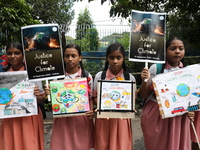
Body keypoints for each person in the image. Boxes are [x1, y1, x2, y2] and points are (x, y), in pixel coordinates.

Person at [139, 37, 195, 150]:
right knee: (157, 145)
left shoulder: (187, 71)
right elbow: (144, 94)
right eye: (173, 48)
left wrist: (191, 110)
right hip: (157, 114)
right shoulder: (156, 68)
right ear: (165, 51)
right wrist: (145, 80)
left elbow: (190, 96)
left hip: (179, 115)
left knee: (177, 144)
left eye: (181, 48)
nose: (177, 51)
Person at [45, 44, 94, 150]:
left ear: (80, 57)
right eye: (67, 56)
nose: (70, 59)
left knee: (81, 145)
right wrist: (49, 92)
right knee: (64, 145)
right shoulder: (58, 76)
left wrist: (91, 111)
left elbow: (90, 97)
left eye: (73, 56)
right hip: (63, 118)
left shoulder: (86, 76)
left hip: (81, 117)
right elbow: (55, 98)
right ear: (63, 57)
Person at [0, 41, 45, 150]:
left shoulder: (32, 73)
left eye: (17, 53)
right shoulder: (2, 76)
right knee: (10, 145)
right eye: (9, 53)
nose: (13, 56)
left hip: (29, 117)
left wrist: (37, 95)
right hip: (9, 117)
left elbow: (41, 98)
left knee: (30, 145)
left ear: (23, 55)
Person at [92, 43, 136, 150]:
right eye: (111, 57)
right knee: (103, 144)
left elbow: (132, 100)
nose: (115, 61)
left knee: (121, 145)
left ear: (123, 58)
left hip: (122, 119)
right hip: (104, 119)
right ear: (107, 58)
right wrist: (101, 105)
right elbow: (94, 97)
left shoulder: (129, 78)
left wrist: (131, 108)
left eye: (118, 57)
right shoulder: (100, 76)